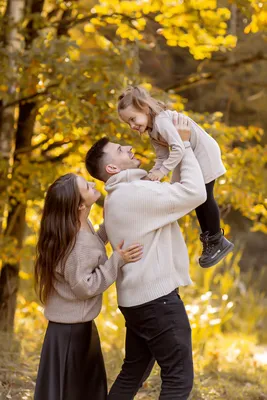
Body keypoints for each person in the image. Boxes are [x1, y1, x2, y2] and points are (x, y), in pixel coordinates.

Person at [85, 119, 206, 399]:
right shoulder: (133, 193)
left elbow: (175, 194)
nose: (128, 146)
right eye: (119, 149)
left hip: (139, 302)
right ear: (111, 168)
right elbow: (195, 193)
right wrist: (183, 146)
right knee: (178, 380)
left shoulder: (124, 193)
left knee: (132, 374)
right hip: (157, 302)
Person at [34, 173, 143, 400]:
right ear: (80, 204)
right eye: (86, 186)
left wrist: (109, 223)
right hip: (71, 334)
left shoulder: (78, 228)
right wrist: (117, 260)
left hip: (72, 329)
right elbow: (84, 287)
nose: (93, 184)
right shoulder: (77, 243)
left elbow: (93, 245)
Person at [117, 85, 234, 268]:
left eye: (133, 119)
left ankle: (216, 240)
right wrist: (152, 176)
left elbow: (179, 148)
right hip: (193, 155)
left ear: (145, 108)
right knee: (198, 199)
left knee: (204, 196)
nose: (132, 126)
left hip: (203, 153)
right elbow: (162, 157)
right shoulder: (152, 130)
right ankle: (212, 239)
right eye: (128, 123)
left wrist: (161, 172)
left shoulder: (162, 121)